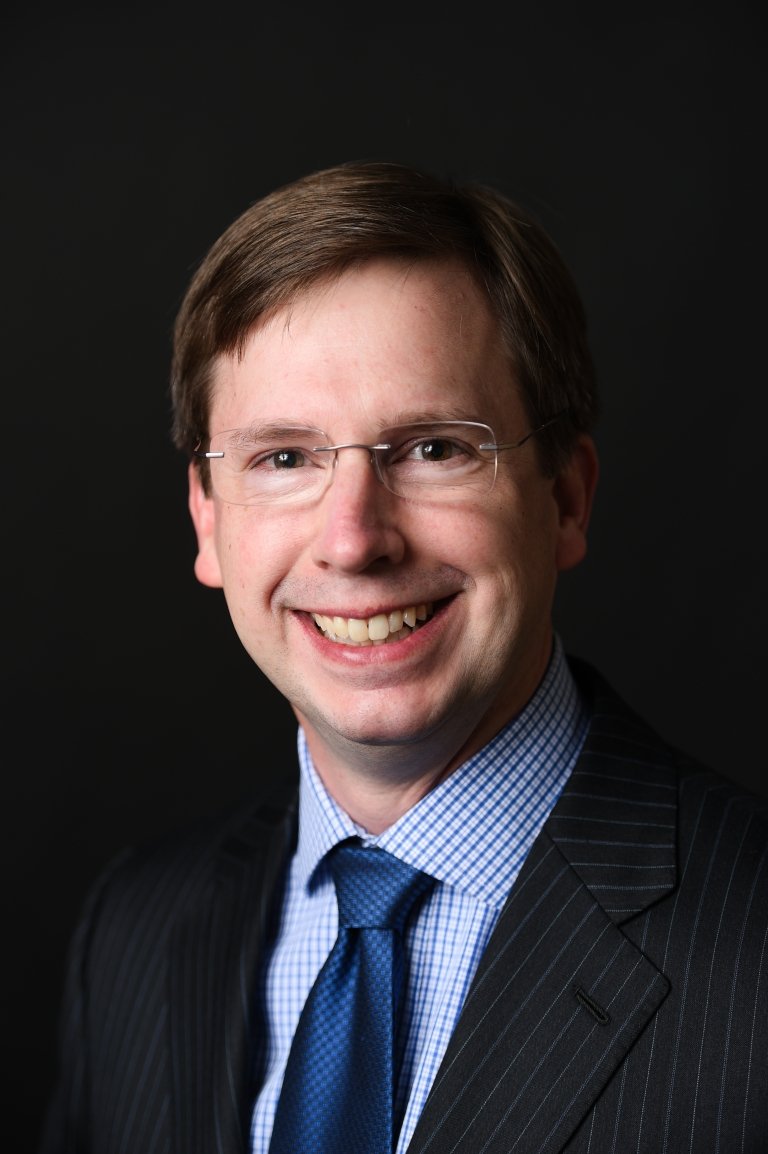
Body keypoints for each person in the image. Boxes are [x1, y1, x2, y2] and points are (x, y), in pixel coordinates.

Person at [40, 161, 767, 1154]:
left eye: (433, 447)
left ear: (566, 497)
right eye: (284, 457)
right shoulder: (134, 930)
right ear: (207, 522)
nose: (353, 538)